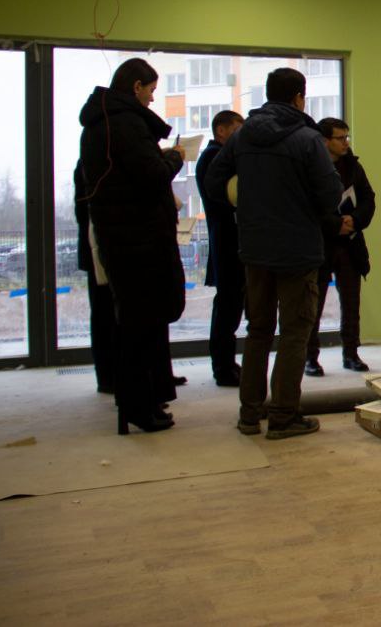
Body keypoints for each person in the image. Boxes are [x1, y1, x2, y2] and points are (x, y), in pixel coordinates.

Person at [205, 67, 341, 440]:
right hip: (298, 250)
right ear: (299, 97)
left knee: (258, 331)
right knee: (295, 332)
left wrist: (247, 204)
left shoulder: (243, 134)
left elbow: (214, 182)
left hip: (254, 249)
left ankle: (249, 415)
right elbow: (330, 194)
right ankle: (283, 416)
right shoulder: (307, 138)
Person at [78, 58, 186, 434]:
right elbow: (150, 176)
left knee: (137, 325)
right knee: (141, 326)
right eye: (151, 90)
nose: (153, 98)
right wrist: (174, 158)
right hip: (139, 241)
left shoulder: (102, 124)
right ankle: (139, 407)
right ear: (137, 86)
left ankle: (142, 402)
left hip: (123, 237)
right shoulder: (124, 123)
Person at [306, 117, 377, 376]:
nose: (346, 142)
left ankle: (351, 353)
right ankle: (310, 357)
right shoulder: (311, 167)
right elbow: (308, 206)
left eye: (347, 137)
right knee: (314, 307)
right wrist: (335, 224)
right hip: (321, 245)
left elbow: (368, 198)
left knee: (351, 303)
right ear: (325, 141)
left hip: (351, 244)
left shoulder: (353, 166)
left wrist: (355, 220)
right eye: (340, 138)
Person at [195, 109, 245, 387]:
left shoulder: (218, 157)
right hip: (227, 239)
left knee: (231, 303)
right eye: (236, 129)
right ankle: (222, 366)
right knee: (228, 304)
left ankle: (226, 362)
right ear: (221, 130)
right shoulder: (214, 158)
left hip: (228, 237)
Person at [74, 162, 118, 395]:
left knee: (105, 314)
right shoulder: (90, 167)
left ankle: (110, 375)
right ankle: (107, 376)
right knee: (103, 314)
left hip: (99, 248)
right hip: (98, 250)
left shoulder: (90, 165)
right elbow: (85, 213)